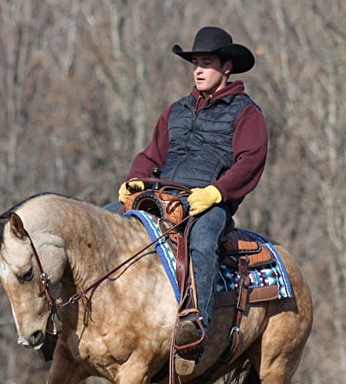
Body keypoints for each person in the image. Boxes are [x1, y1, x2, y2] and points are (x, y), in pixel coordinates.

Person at [111, 26, 268, 352]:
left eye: (206, 63)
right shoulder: (176, 110)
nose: (198, 70)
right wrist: (136, 179)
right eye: (195, 62)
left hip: (207, 203)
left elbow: (251, 160)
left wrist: (217, 193)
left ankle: (196, 325)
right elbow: (151, 155)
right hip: (159, 195)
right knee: (104, 223)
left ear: (226, 67)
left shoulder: (246, 113)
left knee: (203, 241)